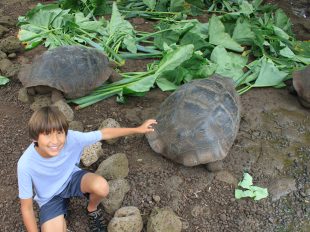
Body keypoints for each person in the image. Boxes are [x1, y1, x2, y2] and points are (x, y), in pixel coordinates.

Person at [17, 106, 157, 232]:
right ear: (34, 138)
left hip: (71, 179)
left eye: (59, 132)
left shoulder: (72, 138)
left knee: (102, 187)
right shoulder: (25, 164)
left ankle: (92, 209)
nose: (55, 141)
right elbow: (27, 208)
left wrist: (137, 129)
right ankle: (59, 218)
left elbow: (105, 133)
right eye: (47, 134)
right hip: (50, 197)